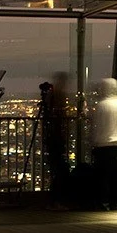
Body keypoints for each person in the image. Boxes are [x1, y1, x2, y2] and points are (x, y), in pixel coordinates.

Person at [89, 77, 117, 210]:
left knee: (102, 174)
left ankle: (103, 201)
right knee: (114, 173)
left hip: (102, 143)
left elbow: (96, 125)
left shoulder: (102, 105)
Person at [39, 72, 73, 207]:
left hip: (53, 140)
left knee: (57, 169)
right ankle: (58, 199)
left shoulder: (53, 98)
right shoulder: (57, 98)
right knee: (59, 169)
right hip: (56, 140)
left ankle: (55, 199)